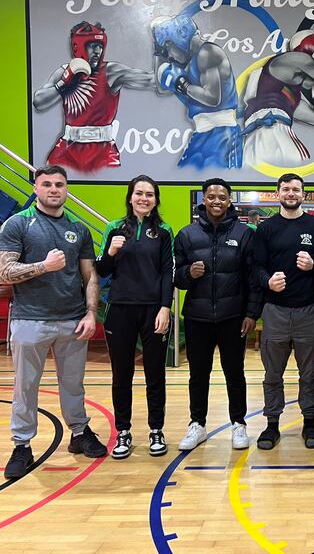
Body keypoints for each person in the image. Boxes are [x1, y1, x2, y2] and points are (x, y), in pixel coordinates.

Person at [0, 165, 106, 479]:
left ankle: (79, 433)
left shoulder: (78, 229)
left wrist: (90, 313)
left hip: (72, 320)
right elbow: (2, 273)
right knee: (25, 387)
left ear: (67, 188)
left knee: (73, 385)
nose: (54, 189)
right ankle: (22, 445)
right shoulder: (18, 224)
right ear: (36, 187)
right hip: (30, 319)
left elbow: (89, 275)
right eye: (47, 184)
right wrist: (44, 265)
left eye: (59, 184)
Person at [174, 178, 262, 451]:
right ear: (204, 200)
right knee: (198, 374)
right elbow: (176, 278)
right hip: (197, 317)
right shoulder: (187, 234)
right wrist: (190, 273)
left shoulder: (244, 233)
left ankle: (239, 424)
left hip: (233, 317)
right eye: (211, 196)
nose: (216, 201)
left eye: (222, 197)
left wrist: (251, 313)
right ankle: (197, 424)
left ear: (229, 200)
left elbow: (252, 278)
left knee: (234, 373)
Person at [95, 175, 175, 459]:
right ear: (130, 197)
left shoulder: (164, 231)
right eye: (139, 193)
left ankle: (156, 430)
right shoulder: (114, 228)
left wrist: (165, 307)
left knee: (156, 373)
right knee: (122, 375)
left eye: (150, 194)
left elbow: (168, 272)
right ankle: (124, 432)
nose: (144, 198)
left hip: (153, 311)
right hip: (119, 310)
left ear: (156, 199)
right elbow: (102, 270)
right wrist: (112, 251)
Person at [252, 173, 314, 449]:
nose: (291, 193)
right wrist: (267, 282)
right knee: (273, 373)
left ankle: (309, 423)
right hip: (275, 310)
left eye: (296, 189)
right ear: (277, 193)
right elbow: (256, 268)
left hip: (308, 309)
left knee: (308, 372)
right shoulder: (266, 229)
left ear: (303, 194)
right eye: (286, 189)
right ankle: (272, 424)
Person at [33, 22, 155, 173]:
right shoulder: (64, 72)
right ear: (78, 46)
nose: (98, 51)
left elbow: (152, 80)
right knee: (52, 181)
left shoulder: (111, 72)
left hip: (103, 151)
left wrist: (160, 52)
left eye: (100, 46)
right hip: (66, 150)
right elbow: (38, 101)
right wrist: (63, 84)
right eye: (92, 46)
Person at [241, 31, 314, 167]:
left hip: (258, 136)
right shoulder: (291, 59)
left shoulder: (282, 95)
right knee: (295, 174)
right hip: (271, 130)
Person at [153, 14, 243, 169]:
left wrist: (184, 85)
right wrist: (159, 53)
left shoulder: (207, 52)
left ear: (177, 39)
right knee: (185, 175)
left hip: (222, 133)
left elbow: (212, 98)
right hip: (203, 133)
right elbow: (161, 86)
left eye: (168, 50)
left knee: (214, 181)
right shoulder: (190, 61)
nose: (170, 57)